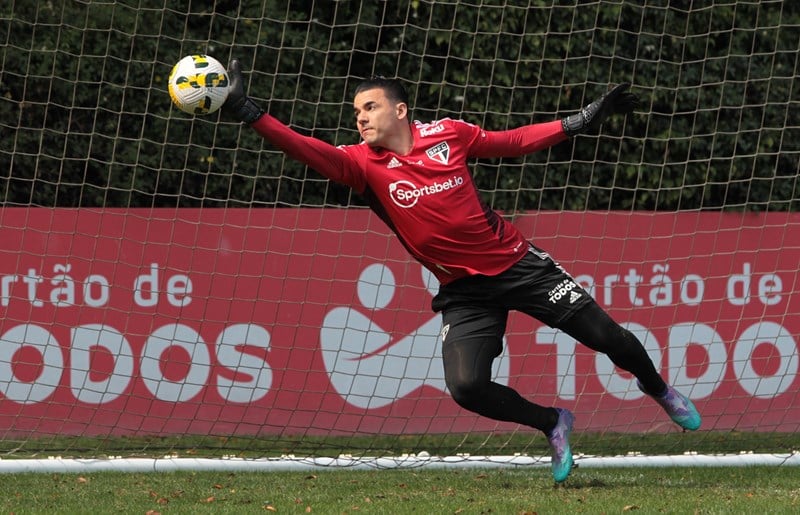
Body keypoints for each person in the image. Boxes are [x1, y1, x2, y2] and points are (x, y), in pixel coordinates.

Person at [222, 60, 702, 483]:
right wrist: (252, 115)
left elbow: (511, 142)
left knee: (611, 339)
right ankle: (552, 422)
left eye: (369, 107)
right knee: (467, 387)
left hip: (520, 267)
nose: (360, 118)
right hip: (465, 293)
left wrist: (574, 123)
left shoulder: (448, 134)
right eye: (356, 113)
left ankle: (658, 388)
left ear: (400, 110)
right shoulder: (361, 165)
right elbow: (305, 148)